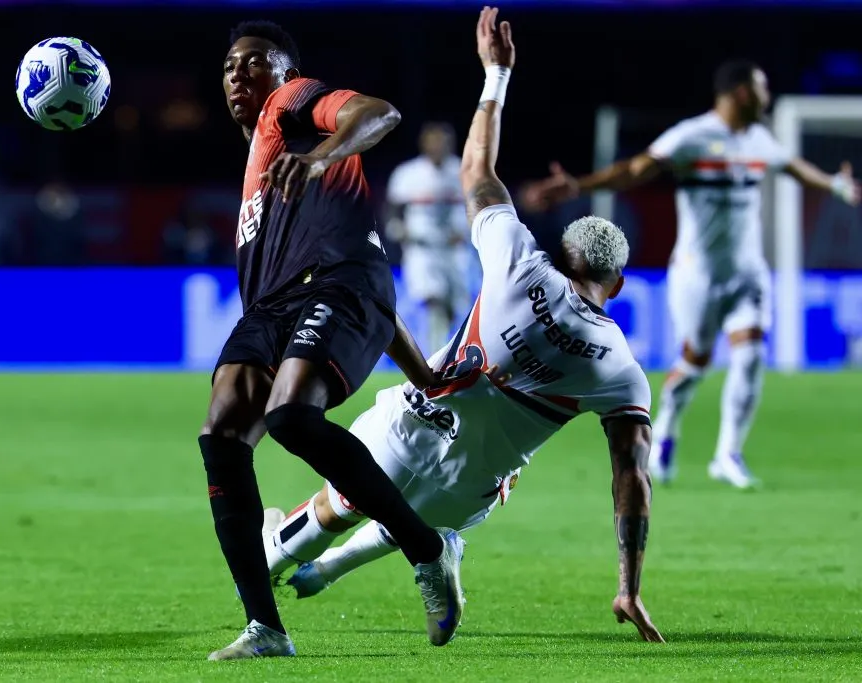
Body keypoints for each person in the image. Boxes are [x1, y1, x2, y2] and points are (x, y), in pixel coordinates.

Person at [261, 7, 664, 643]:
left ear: (565, 253)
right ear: (616, 285)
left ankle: (280, 561)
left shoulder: (517, 262)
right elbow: (632, 479)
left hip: (415, 420)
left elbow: (478, 173)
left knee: (342, 502)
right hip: (474, 488)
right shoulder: (620, 368)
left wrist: (495, 77)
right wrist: (628, 584)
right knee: (423, 514)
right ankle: (352, 563)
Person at [203, 20, 463, 660]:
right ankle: (266, 630)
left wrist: (318, 154)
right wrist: (421, 370)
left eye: (255, 61)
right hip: (282, 304)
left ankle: (425, 548)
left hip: (337, 287)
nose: (239, 74)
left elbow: (380, 113)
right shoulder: (259, 169)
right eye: (230, 66)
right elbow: (367, 274)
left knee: (290, 416)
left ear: (284, 70)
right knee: (223, 436)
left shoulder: (290, 106)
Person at [523, 60, 861, 489]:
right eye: (762, 89)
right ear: (740, 93)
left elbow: (791, 165)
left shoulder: (757, 138)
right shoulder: (692, 136)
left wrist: (833, 185)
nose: (767, 98)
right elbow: (636, 169)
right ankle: (665, 433)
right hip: (698, 275)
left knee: (751, 353)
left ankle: (727, 455)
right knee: (695, 362)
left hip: (748, 272)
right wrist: (580, 186)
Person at [386, 122, 473, 354]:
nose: (437, 146)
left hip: (455, 249)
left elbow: (480, 206)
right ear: (423, 143)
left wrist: (468, 230)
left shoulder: (464, 171)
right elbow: (393, 208)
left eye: (441, 141)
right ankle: (434, 358)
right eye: (432, 141)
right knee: (432, 299)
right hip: (421, 247)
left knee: (455, 307)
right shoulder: (408, 173)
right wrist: (397, 228)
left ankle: (454, 354)